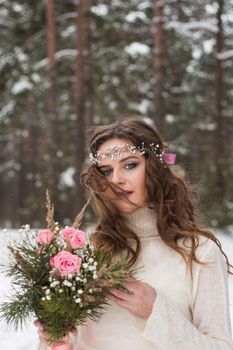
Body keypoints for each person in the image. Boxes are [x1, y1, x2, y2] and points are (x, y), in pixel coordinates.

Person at [37, 117, 233, 350]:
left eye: (130, 165)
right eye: (106, 171)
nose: (116, 179)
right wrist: (53, 342)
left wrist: (156, 310)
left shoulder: (199, 251)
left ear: (154, 167)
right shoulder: (84, 251)